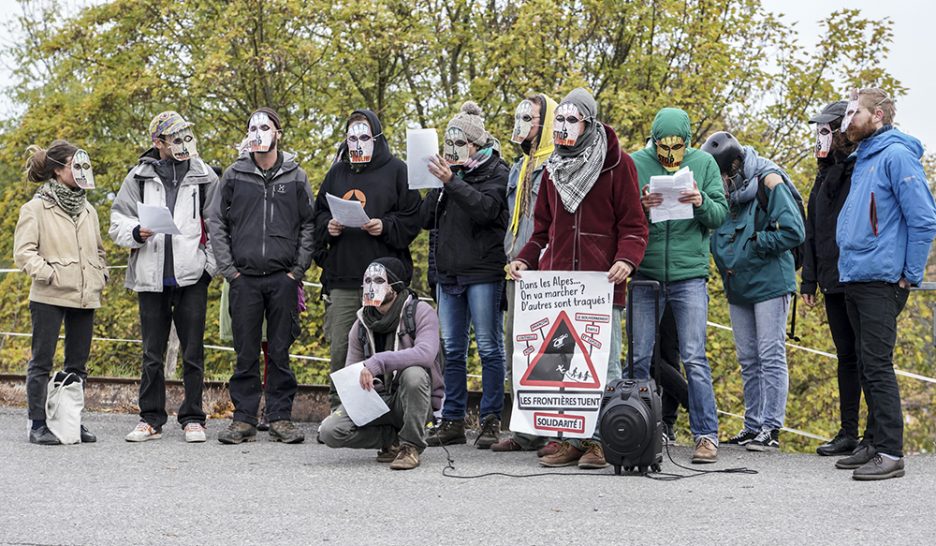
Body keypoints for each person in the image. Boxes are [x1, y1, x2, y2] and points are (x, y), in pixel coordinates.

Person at [509, 88, 648, 469]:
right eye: (560, 121)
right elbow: (541, 231)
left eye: (572, 120)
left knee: (604, 366)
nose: (564, 128)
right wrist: (524, 259)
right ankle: (572, 439)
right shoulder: (553, 167)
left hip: (601, 284)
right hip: (559, 285)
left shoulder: (618, 165)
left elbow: (634, 225)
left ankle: (602, 442)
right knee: (562, 366)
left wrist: (627, 261)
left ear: (589, 122)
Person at [832, 88, 936, 480]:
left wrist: (909, 273)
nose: (848, 120)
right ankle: (873, 442)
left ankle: (891, 453)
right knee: (864, 362)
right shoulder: (864, 158)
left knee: (877, 365)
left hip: (882, 278)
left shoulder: (896, 155)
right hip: (857, 274)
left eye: (854, 112)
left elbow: (924, 218)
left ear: (877, 115)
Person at [206, 107, 316, 445]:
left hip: (283, 278)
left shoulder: (296, 176)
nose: (258, 132)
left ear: (278, 133)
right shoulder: (234, 175)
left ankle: (281, 417)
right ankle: (243, 419)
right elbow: (216, 222)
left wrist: (297, 271)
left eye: (265, 127)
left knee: (280, 351)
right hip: (244, 278)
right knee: (245, 351)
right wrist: (231, 271)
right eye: (253, 127)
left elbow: (309, 223)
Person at [110, 111, 218, 443]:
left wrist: (207, 268)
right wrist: (136, 233)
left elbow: (218, 225)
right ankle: (151, 418)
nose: (183, 143)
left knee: (193, 351)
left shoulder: (206, 177)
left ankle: (193, 418)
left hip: (191, 277)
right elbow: (117, 220)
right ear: (159, 143)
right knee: (151, 352)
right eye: (175, 138)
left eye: (187, 135)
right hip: (151, 276)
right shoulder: (138, 177)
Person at [630, 107, 727, 463]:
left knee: (694, 357)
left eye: (676, 145)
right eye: (662, 146)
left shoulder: (704, 164)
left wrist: (701, 202)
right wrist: (641, 207)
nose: (669, 152)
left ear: (687, 142)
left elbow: (720, 215)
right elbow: (621, 216)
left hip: (689, 274)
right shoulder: (636, 162)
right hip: (646, 271)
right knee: (639, 357)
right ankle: (640, 430)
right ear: (653, 141)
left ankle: (706, 436)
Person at [313, 109, 422, 411]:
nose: (357, 143)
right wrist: (329, 227)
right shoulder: (337, 173)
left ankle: (389, 410)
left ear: (376, 138)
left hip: (386, 281)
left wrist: (385, 225)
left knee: (386, 347)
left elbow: (414, 218)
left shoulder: (397, 170)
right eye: (351, 138)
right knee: (341, 347)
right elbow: (317, 214)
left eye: (364, 137)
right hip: (345, 277)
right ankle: (341, 408)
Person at [704, 131, 805, 452]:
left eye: (721, 173)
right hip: (738, 283)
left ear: (735, 166)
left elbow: (794, 231)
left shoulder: (768, 181)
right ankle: (752, 425)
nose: (719, 180)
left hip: (770, 282)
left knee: (770, 354)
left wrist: (759, 243)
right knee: (748, 358)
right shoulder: (728, 195)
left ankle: (770, 427)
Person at [421, 101, 510, 449]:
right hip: (450, 274)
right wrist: (439, 184)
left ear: (475, 144)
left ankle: (490, 420)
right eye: (450, 144)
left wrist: (453, 182)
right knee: (453, 349)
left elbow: (487, 211)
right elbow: (426, 220)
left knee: (489, 348)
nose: (453, 150)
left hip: (484, 272)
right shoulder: (450, 176)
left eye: (460, 144)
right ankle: (453, 419)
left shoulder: (497, 171)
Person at [14, 140, 106, 445]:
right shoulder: (36, 208)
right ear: (57, 170)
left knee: (77, 365)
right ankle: (37, 423)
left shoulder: (89, 209)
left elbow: (100, 250)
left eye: (84, 165)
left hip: (85, 294)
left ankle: (71, 420)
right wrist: (48, 274)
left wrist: (100, 274)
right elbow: (24, 252)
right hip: (49, 296)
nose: (82, 170)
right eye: (75, 165)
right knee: (41, 362)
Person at [318, 257, 444, 470]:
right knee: (330, 431)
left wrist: (378, 362)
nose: (370, 286)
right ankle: (391, 440)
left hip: (412, 400)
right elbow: (352, 372)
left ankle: (410, 447)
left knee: (414, 373)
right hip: (377, 399)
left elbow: (425, 354)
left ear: (395, 286)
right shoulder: (360, 324)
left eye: (378, 280)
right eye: (366, 280)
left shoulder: (421, 312)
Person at [490, 93, 557, 454]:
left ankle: (551, 429)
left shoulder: (556, 165)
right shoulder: (519, 166)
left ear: (544, 123)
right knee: (517, 348)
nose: (521, 124)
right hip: (514, 268)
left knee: (546, 351)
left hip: (544, 270)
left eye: (528, 118)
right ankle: (523, 428)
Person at [800, 101, 866, 456]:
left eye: (827, 129)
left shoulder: (859, 167)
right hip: (831, 279)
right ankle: (848, 432)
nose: (820, 136)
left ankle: (874, 436)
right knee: (846, 357)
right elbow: (814, 229)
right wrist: (809, 280)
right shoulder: (823, 172)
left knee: (867, 356)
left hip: (859, 276)